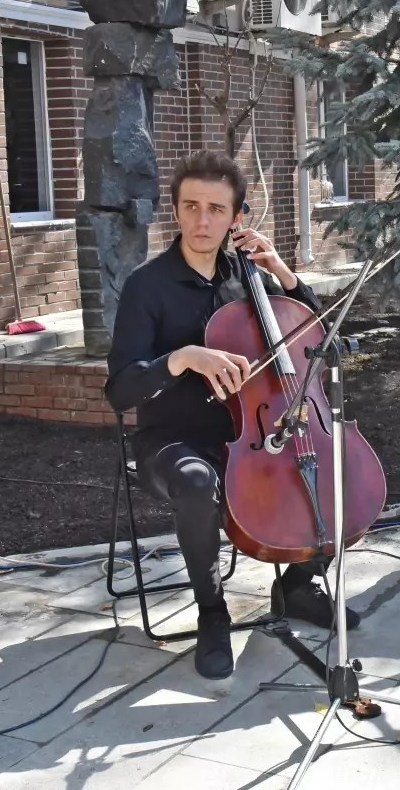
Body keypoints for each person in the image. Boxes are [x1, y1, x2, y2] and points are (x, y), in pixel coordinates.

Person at [105, 151, 349, 680]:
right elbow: (121, 390)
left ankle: (298, 586)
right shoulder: (147, 287)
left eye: (216, 209)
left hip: (257, 434)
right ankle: (213, 613)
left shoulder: (250, 276)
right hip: (174, 442)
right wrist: (182, 358)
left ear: (235, 217)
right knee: (196, 483)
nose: (202, 220)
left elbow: (320, 347)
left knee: (338, 469)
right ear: (175, 210)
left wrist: (282, 272)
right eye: (190, 206)